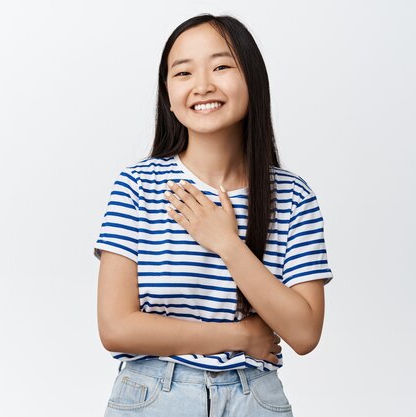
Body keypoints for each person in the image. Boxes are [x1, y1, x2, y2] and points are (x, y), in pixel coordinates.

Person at [93, 13, 334, 417]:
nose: (203, 85)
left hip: (254, 398)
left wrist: (227, 243)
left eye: (221, 66)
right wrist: (240, 335)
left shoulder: (293, 196)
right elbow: (116, 327)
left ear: (252, 80)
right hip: (154, 395)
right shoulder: (137, 186)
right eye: (183, 72)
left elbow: (305, 332)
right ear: (167, 93)